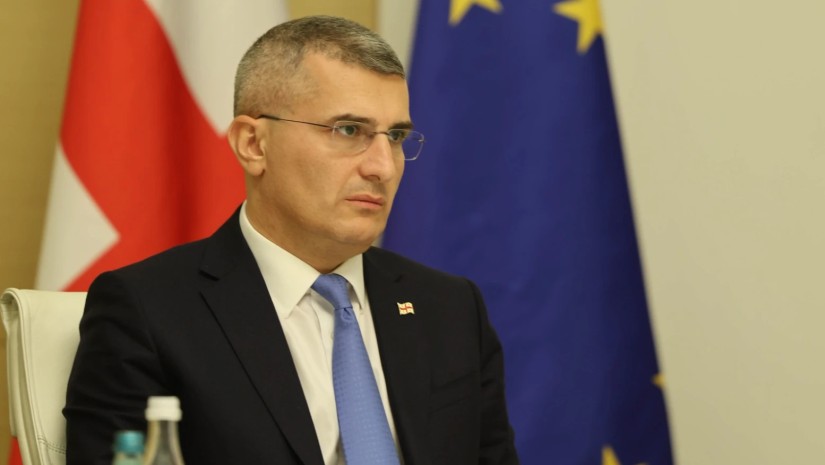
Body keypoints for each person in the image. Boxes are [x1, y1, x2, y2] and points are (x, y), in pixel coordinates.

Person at [64, 15, 519, 465]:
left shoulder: (450, 308)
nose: (383, 167)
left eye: (396, 136)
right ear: (253, 144)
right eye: (348, 130)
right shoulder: (149, 311)